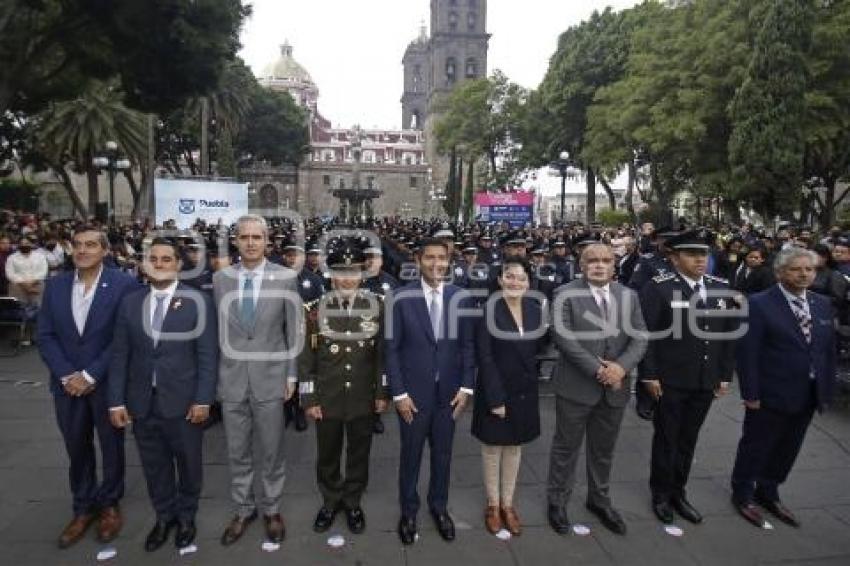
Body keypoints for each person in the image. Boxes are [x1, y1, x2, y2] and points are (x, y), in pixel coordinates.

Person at [107, 238, 218, 552]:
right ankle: (164, 516)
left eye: (166, 259)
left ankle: (186, 517)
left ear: (179, 265)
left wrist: (203, 400)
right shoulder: (130, 303)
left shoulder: (197, 301)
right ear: (143, 263)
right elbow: (119, 355)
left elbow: (208, 355)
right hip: (142, 402)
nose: (158, 263)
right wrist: (116, 400)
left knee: (189, 464)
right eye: (152, 258)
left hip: (184, 402)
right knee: (153, 465)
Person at [37, 225, 141, 549]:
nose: (82, 250)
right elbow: (45, 335)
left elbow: (123, 337)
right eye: (77, 245)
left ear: (105, 250)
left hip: (106, 382)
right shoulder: (55, 286)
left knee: (111, 447)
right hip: (66, 386)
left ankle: (109, 503)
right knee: (76, 448)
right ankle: (82, 507)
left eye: (91, 245)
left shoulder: (124, 284)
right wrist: (68, 375)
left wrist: (91, 374)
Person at [638, 230, 739, 525]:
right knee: (667, 438)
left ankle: (678, 492)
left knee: (689, 439)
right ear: (674, 257)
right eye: (692, 254)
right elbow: (648, 335)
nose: (699, 260)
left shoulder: (720, 286)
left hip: (705, 379)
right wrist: (649, 374)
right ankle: (660, 493)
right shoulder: (659, 288)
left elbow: (727, 335)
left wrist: (724, 374)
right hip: (670, 378)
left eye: (703, 255)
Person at [731, 248, 836, 529]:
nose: (804, 274)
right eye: (796, 269)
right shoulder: (759, 304)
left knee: (788, 447)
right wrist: (750, 394)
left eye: (809, 269)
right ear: (780, 273)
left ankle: (769, 490)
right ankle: (743, 494)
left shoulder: (822, 303)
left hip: (808, 393)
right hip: (769, 393)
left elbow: (828, 351)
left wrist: (826, 389)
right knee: (756, 445)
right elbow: (747, 354)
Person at [547, 243, 648, 536]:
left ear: (614, 265)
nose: (600, 265)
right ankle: (557, 501)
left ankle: (599, 500)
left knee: (604, 450)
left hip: (616, 388)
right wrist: (600, 370)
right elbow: (563, 337)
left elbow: (640, 336)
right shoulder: (565, 294)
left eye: (606, 260)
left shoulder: (629, 296)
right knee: (566, 448)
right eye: (593, 260)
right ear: (582, 264)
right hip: (576, 387)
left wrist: (621, 368)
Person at [214, 215, 299, 546]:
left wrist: (291, 374)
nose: (250, 243)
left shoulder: (286, 278)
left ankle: (272, 508)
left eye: (257, 237)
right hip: (232, 378)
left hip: (271, 378)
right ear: (236, 241)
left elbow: (294, 331)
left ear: (267, 241)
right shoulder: (221, 279)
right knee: (236, 450)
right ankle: (243, 508)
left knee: (273, 449)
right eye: (244, 237)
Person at [385, 238, 476, 545]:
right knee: (410, 456)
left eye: (442, 258)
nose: (437, 263)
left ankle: (439, 507)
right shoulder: (399, 298)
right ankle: (408, 511)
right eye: (430, 258)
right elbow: (392, 351)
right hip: (413, 397)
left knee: (443, 456)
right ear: (417, 259)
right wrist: (398, 395)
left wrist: (466, 387)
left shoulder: (460, 297)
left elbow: (467, 346)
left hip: (449, 396)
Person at [299, 240, 389, 534]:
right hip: (328, 396)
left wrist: (381, 393)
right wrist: (309, 397)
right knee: (327, 454)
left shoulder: (377, 307)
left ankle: (352, 501)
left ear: (362, 274)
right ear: (330, 274)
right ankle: (330, 500)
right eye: (340, 271)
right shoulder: (314, 310)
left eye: (352, 271)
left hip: (363, 395)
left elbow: (382, 355)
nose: (347, 278)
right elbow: (306, 359)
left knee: (359, 452)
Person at [473, 258, 545, 536]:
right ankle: (492, 505)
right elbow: (485, 358)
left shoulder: (535, 309)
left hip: (524, 391)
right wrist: (495, 398)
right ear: (501, 280)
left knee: (515, 447)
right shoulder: (488, 311)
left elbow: (539, 345)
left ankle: (508, 504)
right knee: (492, 448)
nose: (515, 282)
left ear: (528, 283)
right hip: (496, 389)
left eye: (521, 278)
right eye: (510, 277)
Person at [361, 243, 399, 434]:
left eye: (374, 257)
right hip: (360, 338)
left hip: (383, 338)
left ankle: (376, 415)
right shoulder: (356, 281)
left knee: (379, 379)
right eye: (367, 257)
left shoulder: (391, 283)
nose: (370, 261)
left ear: (382, 260)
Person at [5, 234, 48, 307]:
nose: (24, 245)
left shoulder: (40, 256)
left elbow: (44, 271)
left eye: (27, 243)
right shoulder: (12, 257)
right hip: (17, 285)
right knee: (18, 310)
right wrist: (24, 284)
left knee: (38, 308)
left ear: (31, 244)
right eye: (21, 244)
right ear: (18, 245)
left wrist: (32, 281)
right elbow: (9, 273)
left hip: (36, 284)